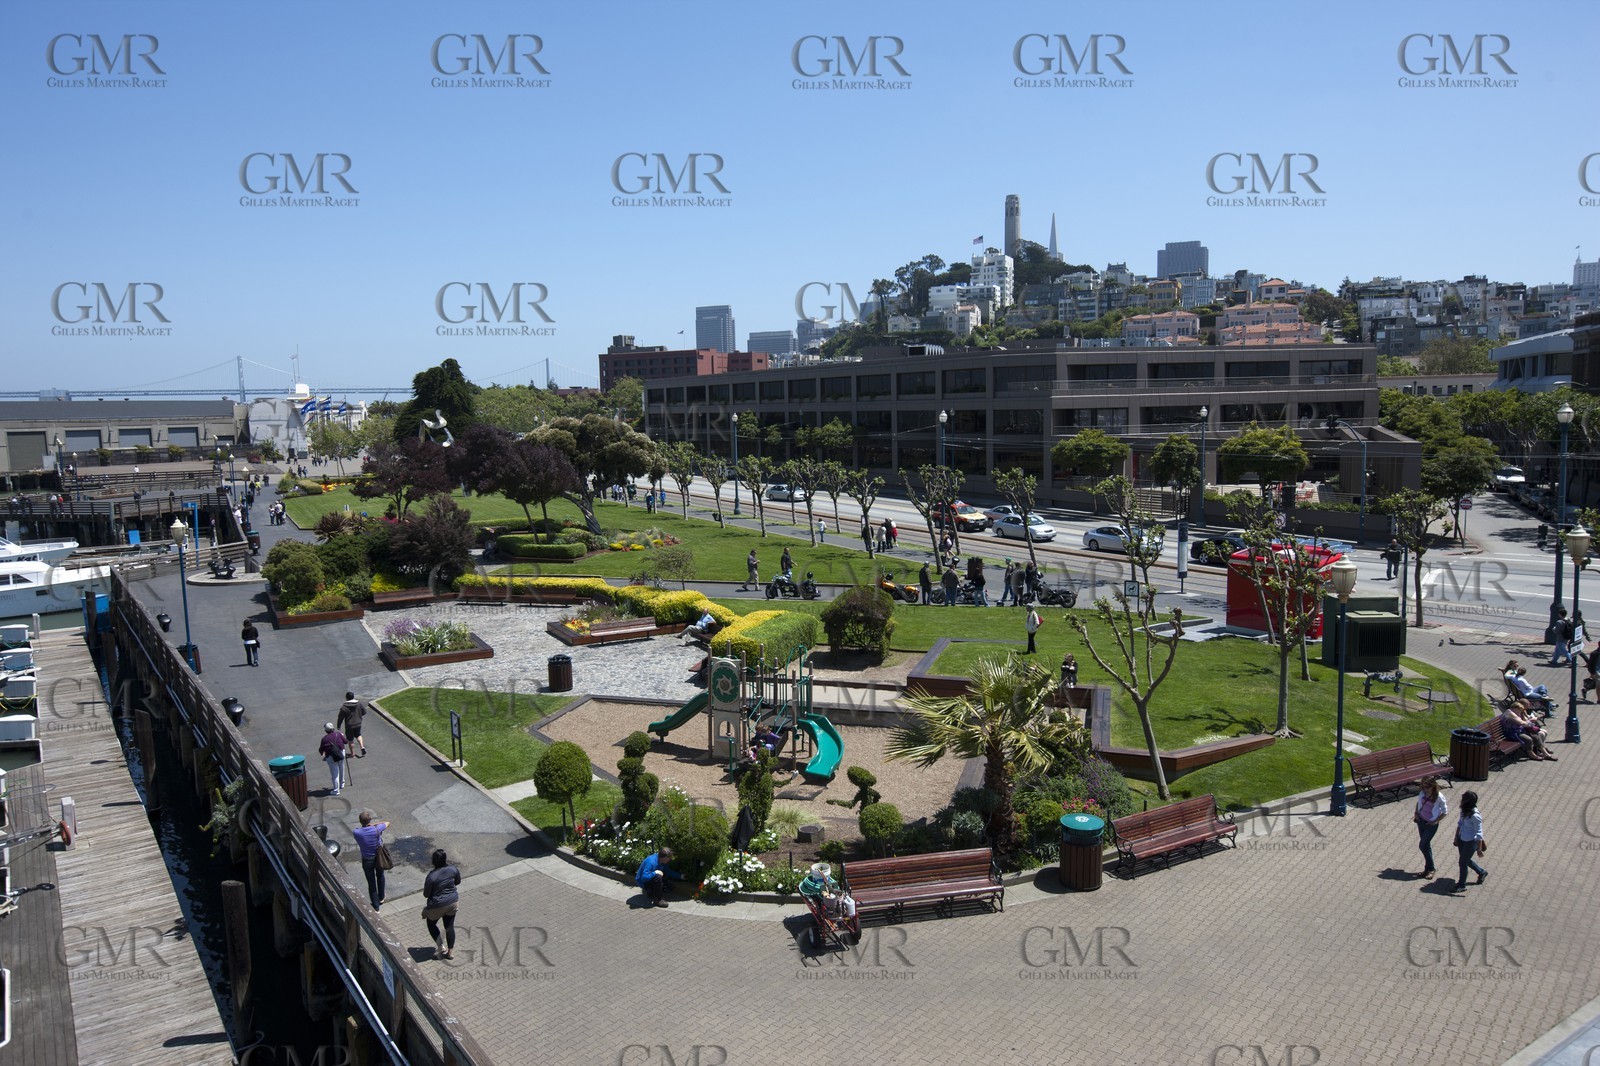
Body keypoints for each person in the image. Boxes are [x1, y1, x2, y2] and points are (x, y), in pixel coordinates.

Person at [422, 849, 461, 957]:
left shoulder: (431, 876)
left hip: (437, 905)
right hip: (452, 902)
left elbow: (426, 894)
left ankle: (440, 946)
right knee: (449, 927)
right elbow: (457, 881)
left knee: (431, 924)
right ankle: (450, 952)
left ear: (434, 861)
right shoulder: (453, 869)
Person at [353, 809, 389, 910]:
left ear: (360, 821)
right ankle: (381, 897)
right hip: (378, 857)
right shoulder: (376, 829)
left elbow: (357, 829)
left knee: (371, 882)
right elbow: (387, 822)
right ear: (370, 821)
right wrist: (374, 824)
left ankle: (376, 906)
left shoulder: (357, 832)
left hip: (367, 859)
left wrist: (367, 824)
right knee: (380, 876)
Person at [1412, 779, 1447, 880]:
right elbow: (1418, 803)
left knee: (1423, 845)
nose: (1424, 789)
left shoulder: (1439, 797)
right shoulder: (1422, 792)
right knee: (1426, 846)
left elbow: (1445, 812)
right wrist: (1416, 813)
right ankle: (1427, 869)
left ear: (1433, 786)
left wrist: (1435, 821)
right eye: (1423, 786)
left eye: (1427, 787)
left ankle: (1431, 869)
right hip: (1421, 821)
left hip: (1430, 824)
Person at [1452, 790, 1487, 892]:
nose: (1461, 801)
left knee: (1462, 862)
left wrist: (1479, 849)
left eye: (1463, 799)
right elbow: (1460, 824)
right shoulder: (1463, 811)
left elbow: (1479, 833)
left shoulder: (1475, 816)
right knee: (1465, 860)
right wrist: (1456, 837)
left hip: (1470, 842)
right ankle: (1481, 872)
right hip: (1462, 839)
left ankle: (1461, 884)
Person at [319, 723, 348, 795]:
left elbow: (320, 750)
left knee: (335, 773)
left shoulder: (324, 739)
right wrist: (342, 736)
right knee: (341, 768)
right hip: (340, 753)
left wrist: (323, 754)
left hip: (331, 756)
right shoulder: (338, 734)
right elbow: (346, 742)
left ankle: (336, 790)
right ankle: (342, 784)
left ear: (326, 731)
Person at [337, 691, 368, 758]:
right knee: (358, 735)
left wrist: (338, 726)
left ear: (346, 698)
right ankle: (362, 747)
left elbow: (340, 718)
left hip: (349, 726)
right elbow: (364, 712)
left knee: (350, 740)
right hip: (358, 724)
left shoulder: (344, 707)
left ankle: (352, 754)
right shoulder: (359, 704)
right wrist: (359, 716)